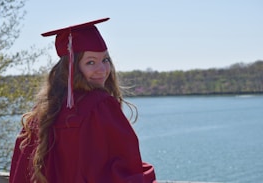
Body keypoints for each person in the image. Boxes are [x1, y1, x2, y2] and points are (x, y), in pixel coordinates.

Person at [9, 17, 157, 183]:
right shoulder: (100, 105)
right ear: (71, 67)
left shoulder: (41, 113)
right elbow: (127, 168)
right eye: (90, 62)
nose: (102, 69)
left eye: (105, 60)